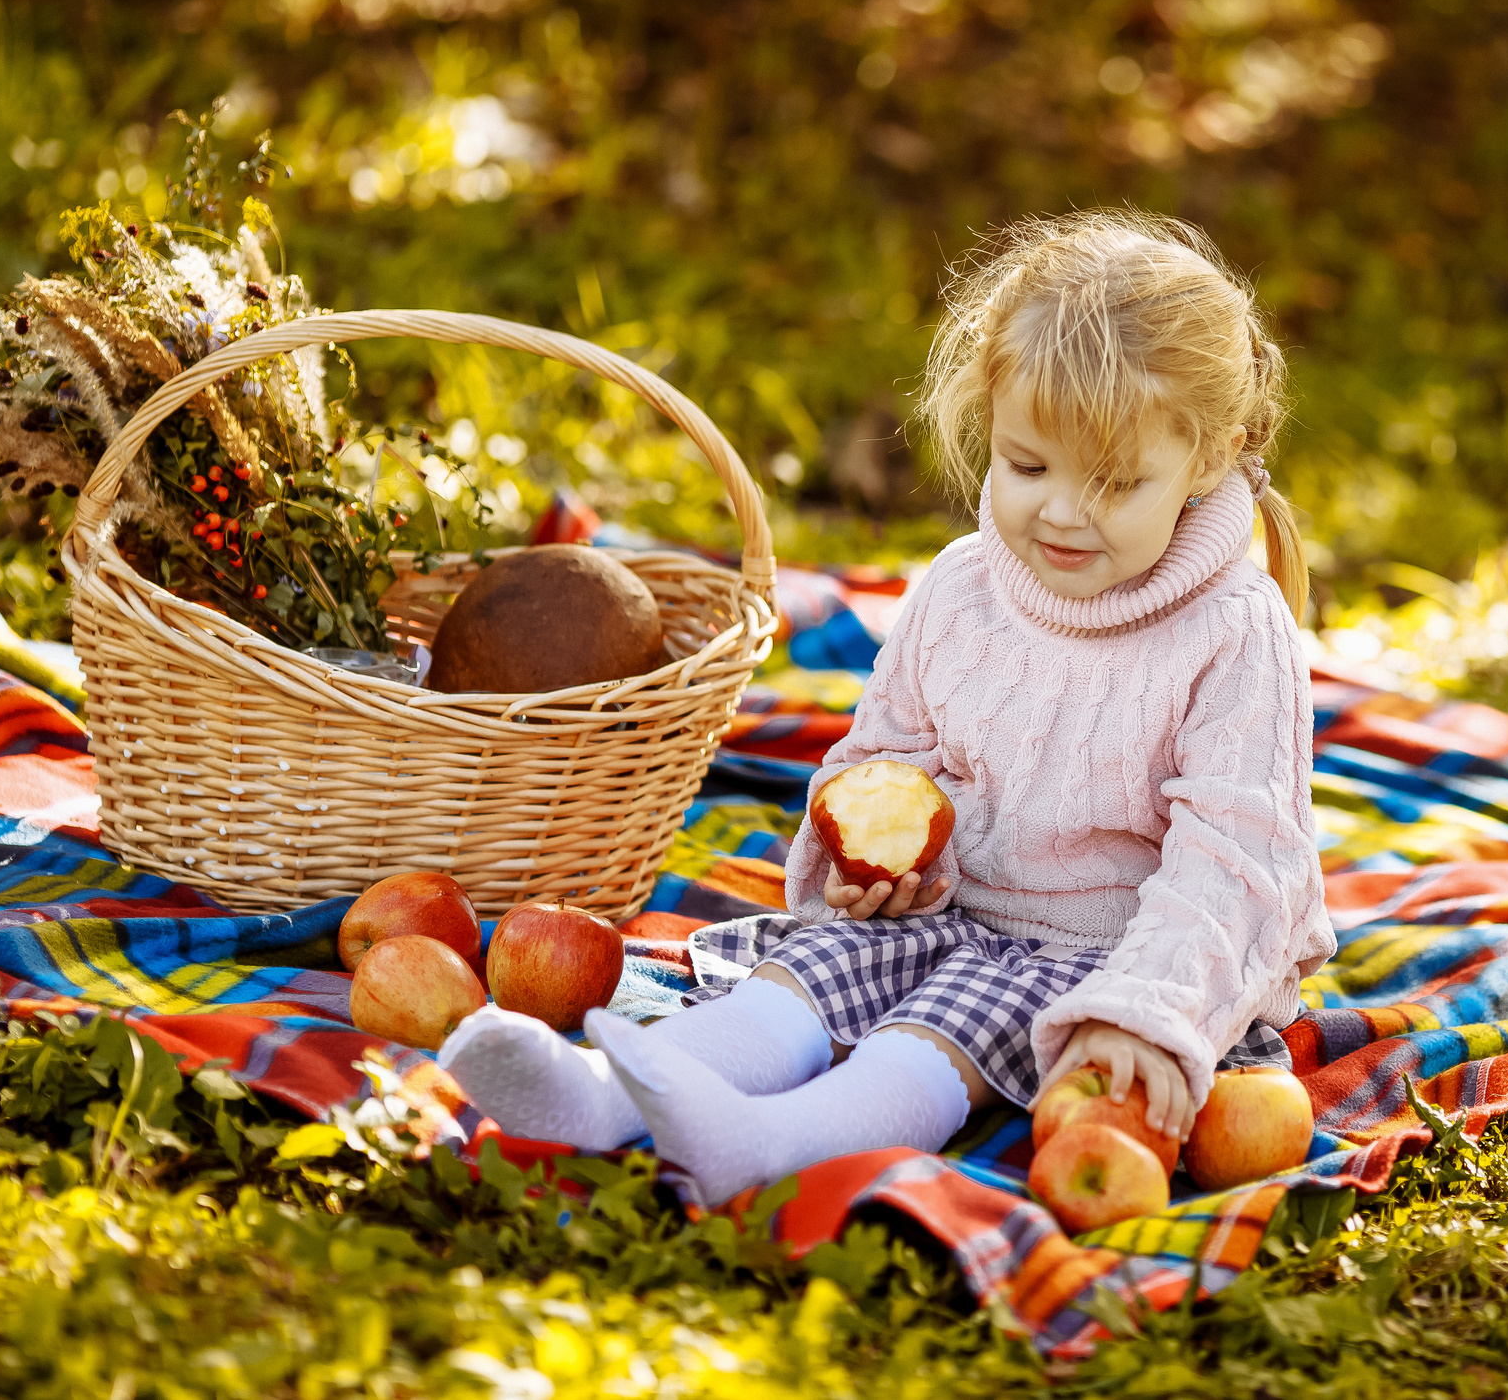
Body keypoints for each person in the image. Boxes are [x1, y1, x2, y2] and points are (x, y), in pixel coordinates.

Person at [437, 210, 1332, 1205]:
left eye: (1117, 484)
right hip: (949, 911)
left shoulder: (1230, 630)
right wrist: (877, 871)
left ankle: (772, 1140)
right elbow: (885, 761)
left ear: (1210, 457)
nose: (1062, 514)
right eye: (1026, 466)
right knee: (809, 970)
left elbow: (1239, 860)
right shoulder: (960, 589)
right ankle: (614, 1093)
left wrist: (1147, 1014)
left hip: (1109, 955)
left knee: (938, 1026)